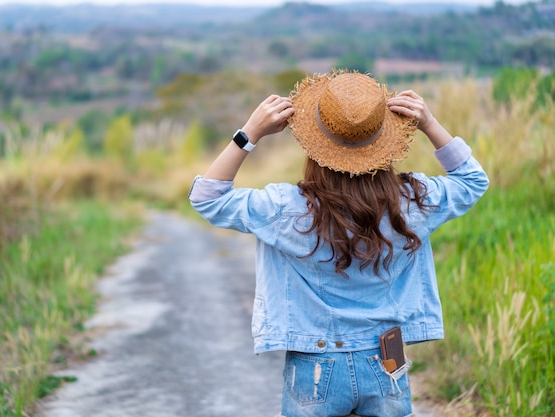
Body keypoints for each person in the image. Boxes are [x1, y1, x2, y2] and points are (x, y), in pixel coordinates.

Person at [188, 70, 489, 417]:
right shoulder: (411, 202)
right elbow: (472, 182)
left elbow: (206, 198)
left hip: (315, 364)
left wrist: (249, 134)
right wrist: (430, 124)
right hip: (387, 357)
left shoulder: (288, 208)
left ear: (315, 147)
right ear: (384, 144)